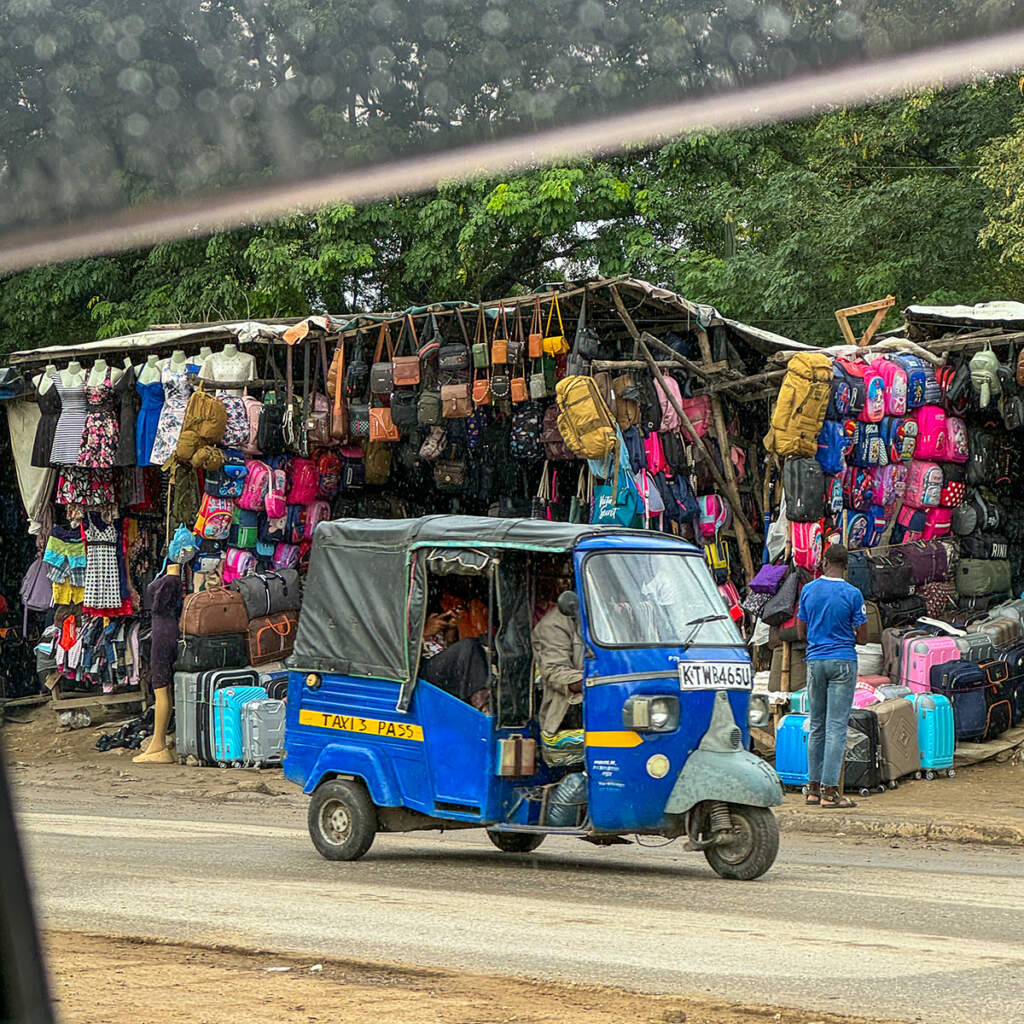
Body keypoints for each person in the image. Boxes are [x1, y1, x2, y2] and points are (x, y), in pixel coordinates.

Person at [796, 543, 868, 809]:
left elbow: (801, 632)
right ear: (846, 566)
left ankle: (812, 789)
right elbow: (862, 637)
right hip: (843, 662)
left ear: (824, 561)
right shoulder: (853, 594)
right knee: (836, 727)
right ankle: (830, 792)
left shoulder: (808, 590)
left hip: (815, 661)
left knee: (817, 725)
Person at [532, 590, 585, 736]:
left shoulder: (619, 616)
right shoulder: (555, 623)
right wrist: (595, 682)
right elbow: (555, 672)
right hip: (570, 710)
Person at [419, 604, 490, 710]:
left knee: (481, 644)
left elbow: (450, 653)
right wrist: (425, 633)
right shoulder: (405, 627)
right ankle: (482, 703)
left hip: (442, 672)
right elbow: (404, 655)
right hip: (422, 671)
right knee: (469, 645)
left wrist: (451, 629)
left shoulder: (439, 631)